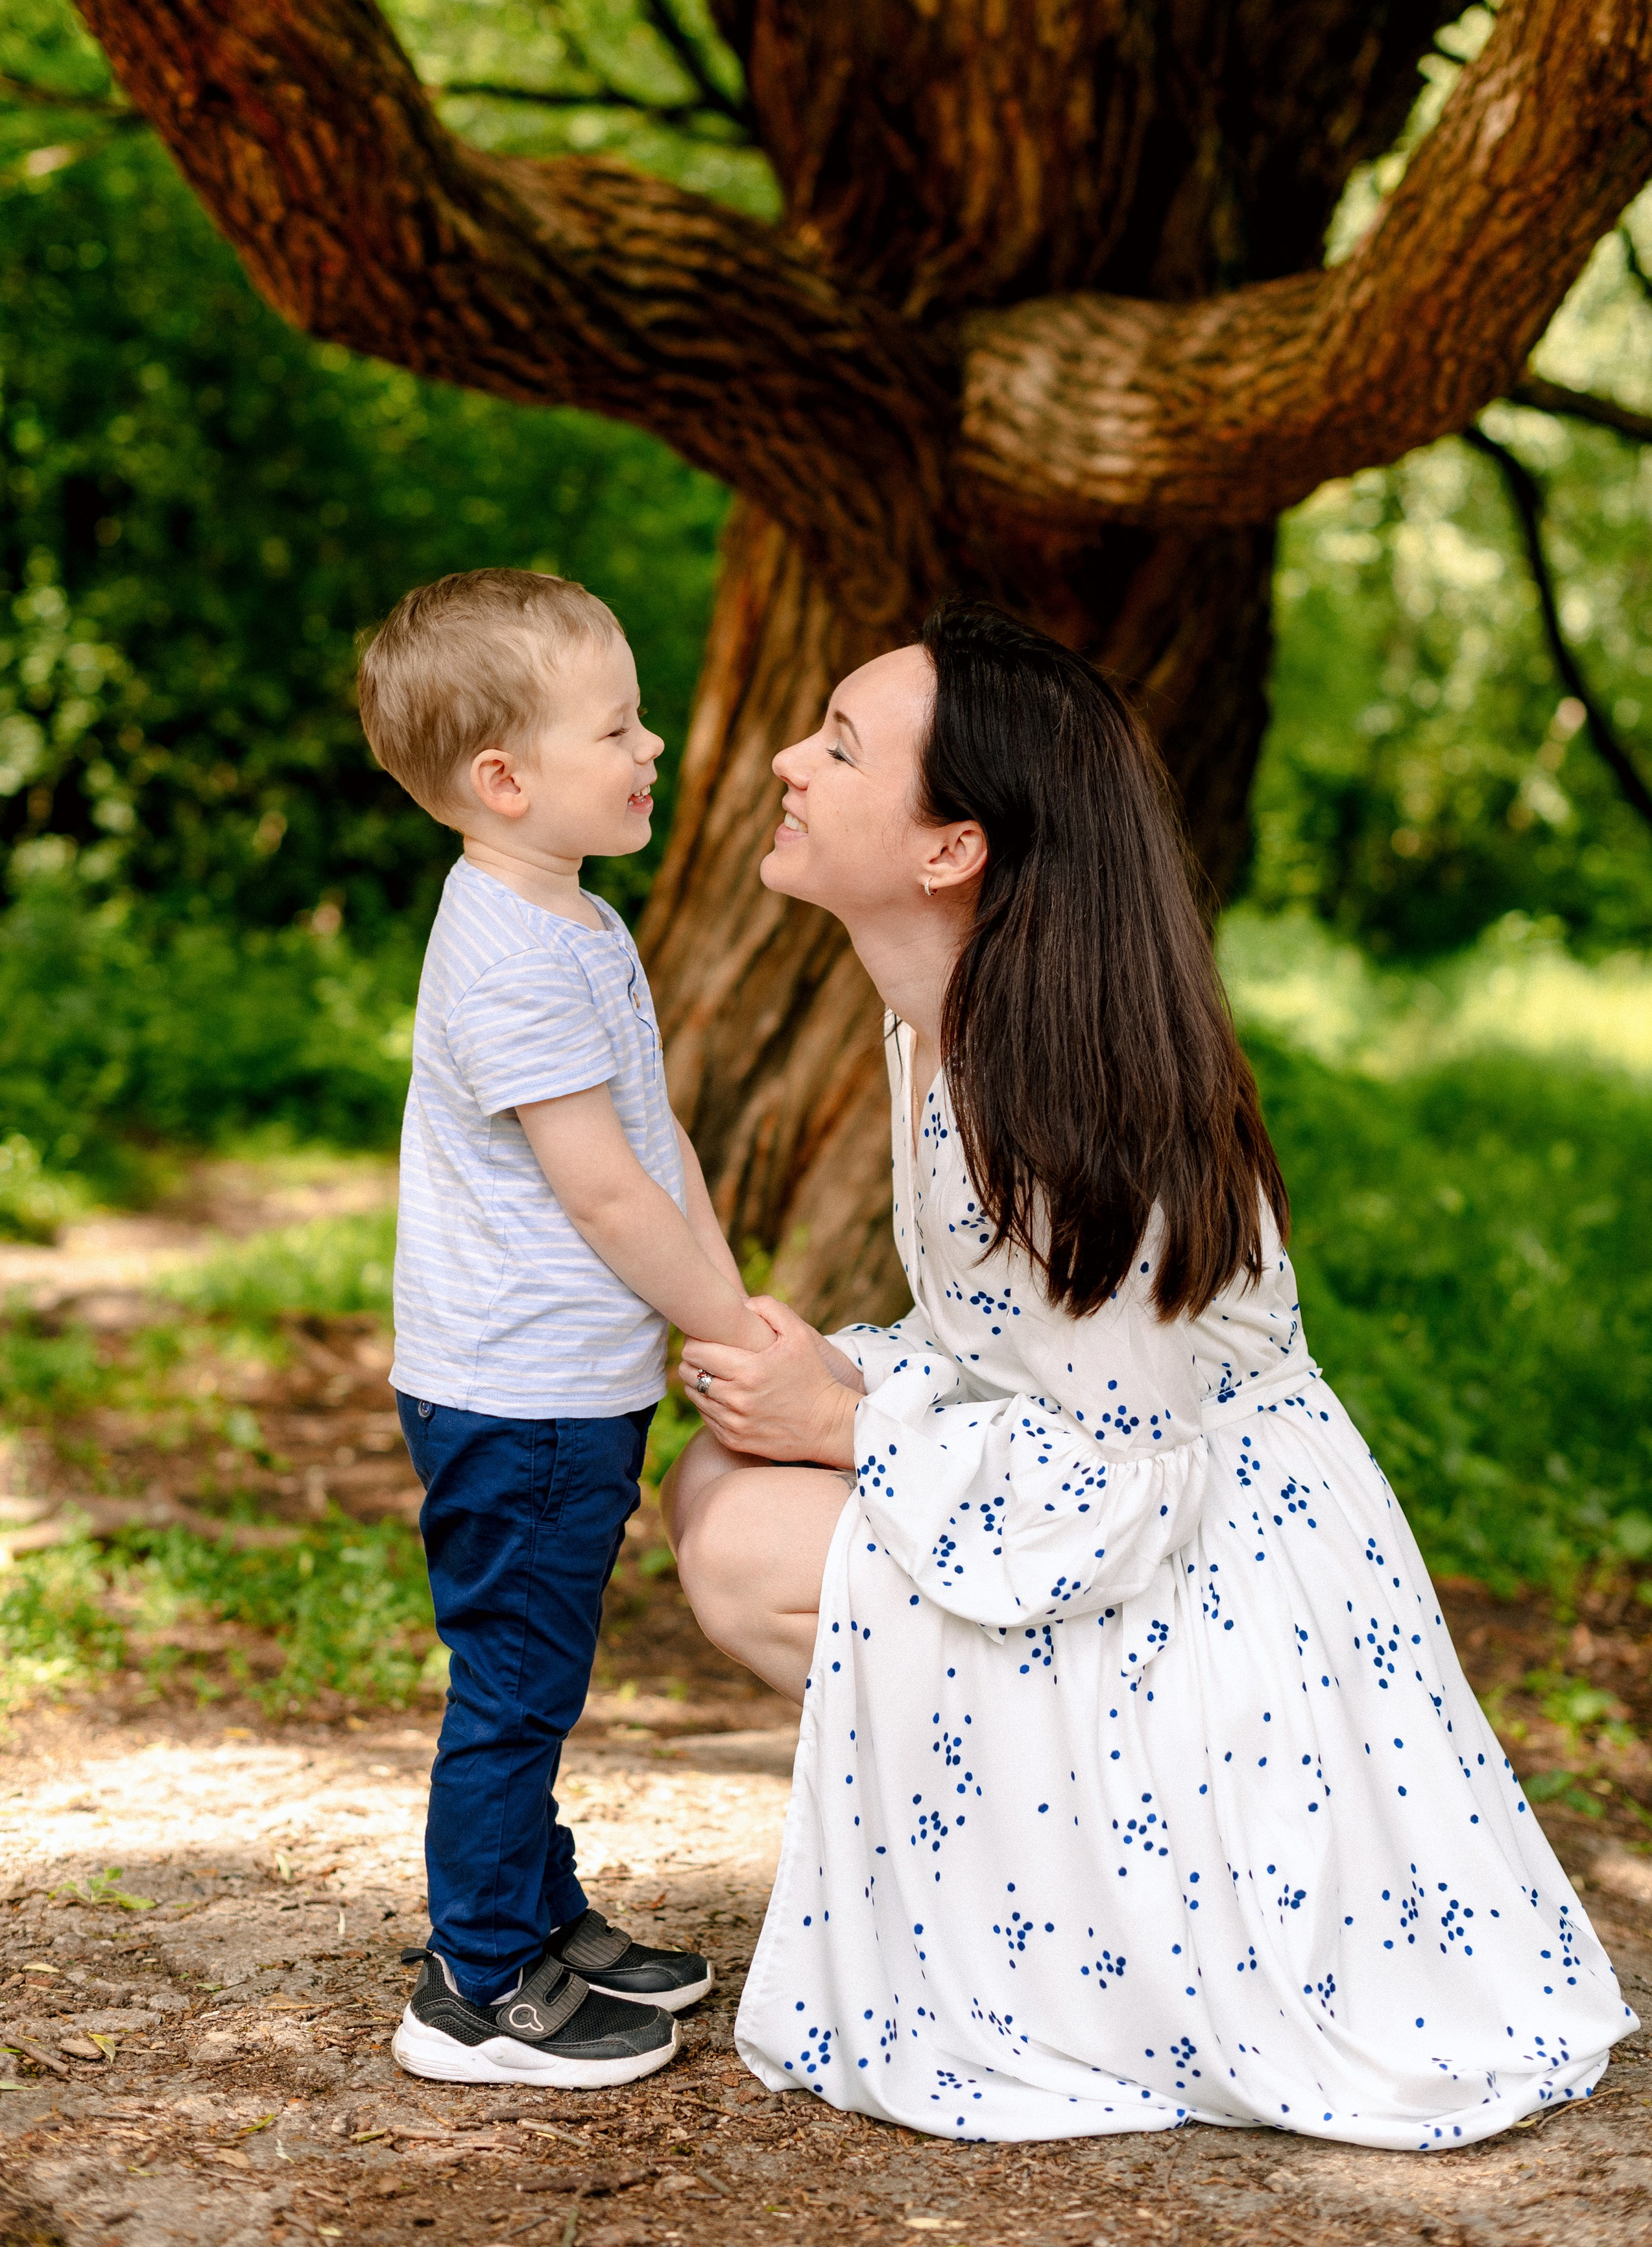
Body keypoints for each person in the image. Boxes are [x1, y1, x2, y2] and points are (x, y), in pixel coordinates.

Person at [663, 601, 1638, 2148]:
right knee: (722, 1482)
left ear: (949, 850)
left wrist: (850, 1424)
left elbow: (1124, 1478)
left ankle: (1099, 1896)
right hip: (1131, 1499)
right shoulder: (951, 1024)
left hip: (1218, 1579)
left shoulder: (1061, 1105)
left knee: (742, 1537)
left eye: (839, 745)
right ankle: (1023, 1858)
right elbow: (1013, 1352)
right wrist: (841, 1374)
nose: (787, 761)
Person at [357, 567, 772, 2088]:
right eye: (619, 725)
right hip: (517, 1394)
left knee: (542, 1663)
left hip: (565, 1384)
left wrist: (724, 1301)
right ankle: (473, 1980)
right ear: (503, 778)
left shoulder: (572, 914)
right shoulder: (513, 951)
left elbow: (657, 1144)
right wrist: (719, 1323)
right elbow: (601, 1195)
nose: (651, 745)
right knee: (516, 1679)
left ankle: (533, 1909)